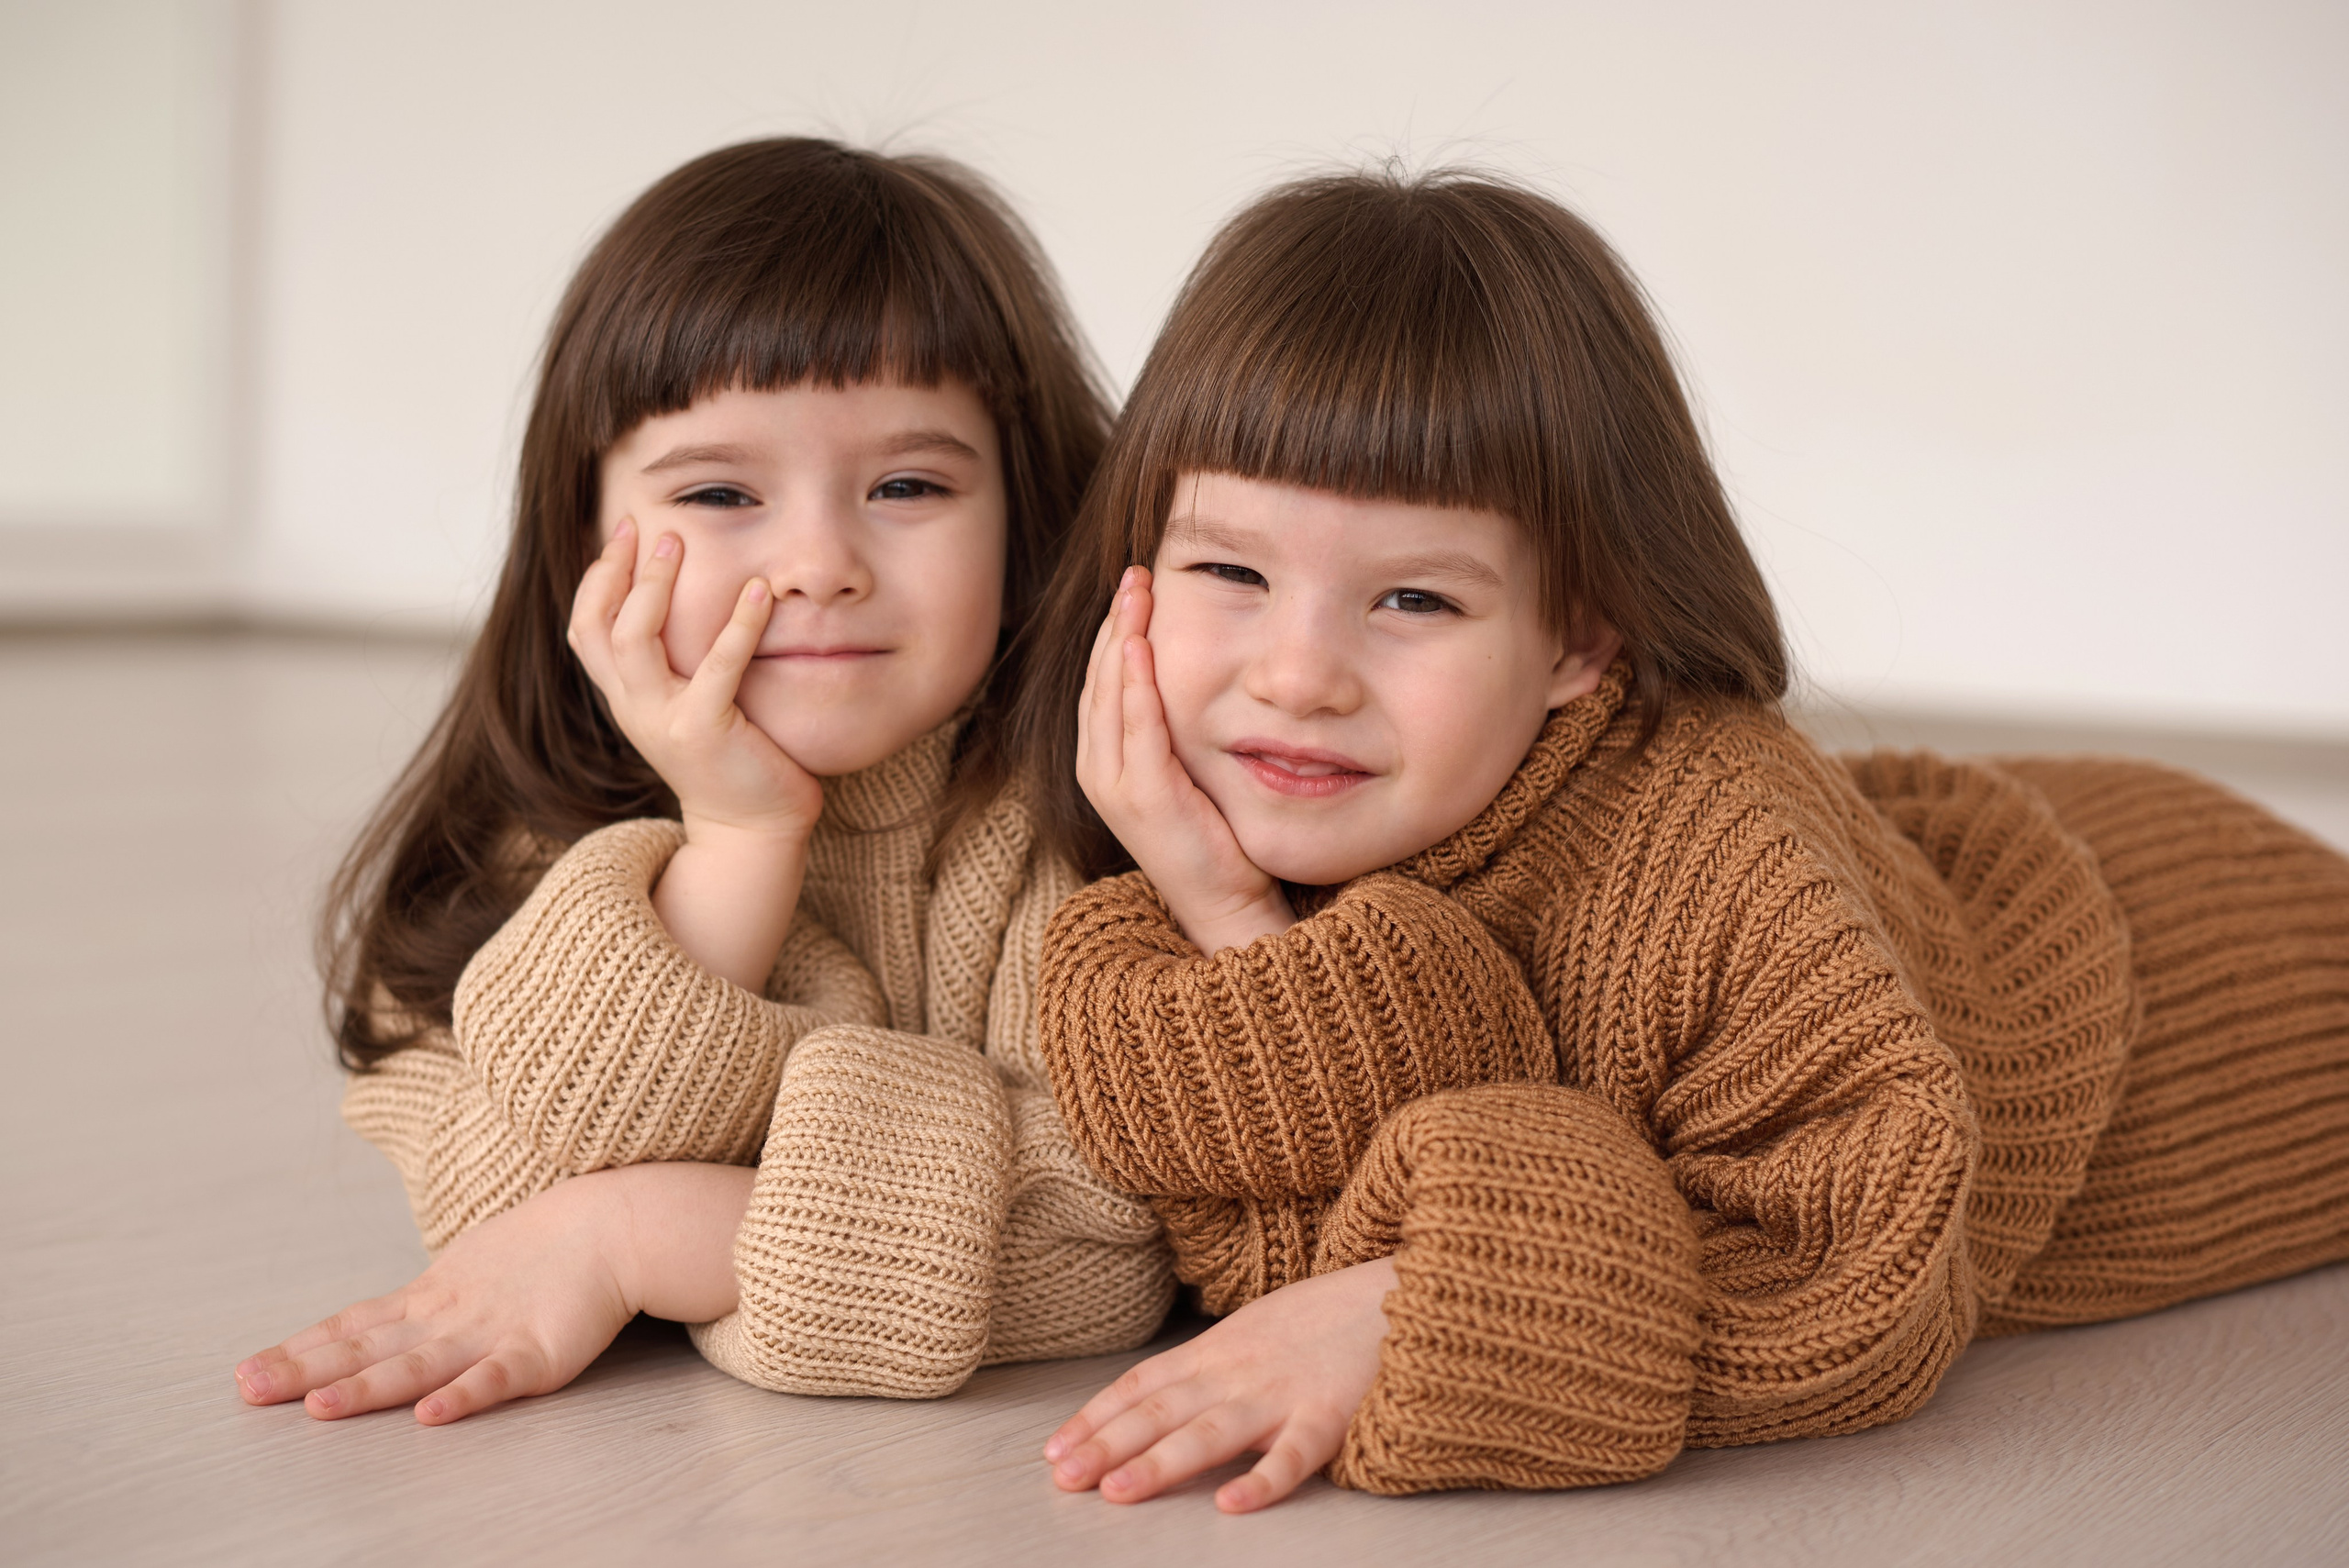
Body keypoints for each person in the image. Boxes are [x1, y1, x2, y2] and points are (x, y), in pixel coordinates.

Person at [1019, 168, 2349, 1512]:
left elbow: (1856, 1274)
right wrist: (1222, 904)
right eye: (1231, 573)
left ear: (1578, 637)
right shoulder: (1187, 822)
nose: (1299, 673)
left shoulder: (1716, 855)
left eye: (1413, 597)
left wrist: (1418, 1300)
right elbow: (1308, 1211)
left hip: (2239, 978)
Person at [233, 138, 1174, 1425]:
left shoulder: (1089, 822)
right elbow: (494, 1212)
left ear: (1024, 512)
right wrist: (737, 839)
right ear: (584, 536)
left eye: (907, 484)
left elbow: (1101, 1248)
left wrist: (636, 1234)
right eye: (724, 490)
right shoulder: (537, 815)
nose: (819, 561)